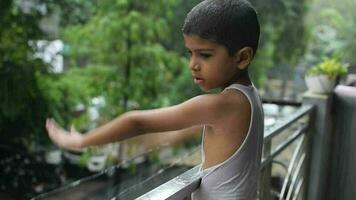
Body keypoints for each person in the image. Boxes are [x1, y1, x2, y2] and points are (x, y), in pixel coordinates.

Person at [45, 0, 264, 199]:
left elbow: (136, 122)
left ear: (242, 57)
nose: (193, 64)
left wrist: (81, 141)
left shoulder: (221, 105)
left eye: (205, 55)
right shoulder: (249, 98)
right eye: (190, 53)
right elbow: (183, 132)